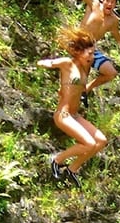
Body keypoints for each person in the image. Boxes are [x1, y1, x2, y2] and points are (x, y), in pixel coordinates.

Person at [37, 28, 108, 188]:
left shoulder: (84, 69)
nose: (91, 57)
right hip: (64, 114)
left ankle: (72, 169)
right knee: (89, 144)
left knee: (101, 141)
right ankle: (56, 160)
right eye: (89, 54)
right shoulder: (67, 63)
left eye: (93, 54)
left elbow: (107, 73)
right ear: (78, 52)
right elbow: (49, 63)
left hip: (75, 115)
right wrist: (42, 63)